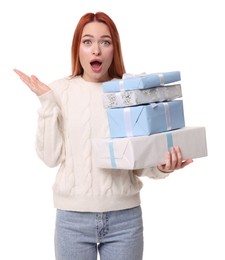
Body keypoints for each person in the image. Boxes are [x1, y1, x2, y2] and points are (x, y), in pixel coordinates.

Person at [14, 11, 193, 260]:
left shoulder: (128, 92)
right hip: (72, 220)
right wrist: (47, 103)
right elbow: (49, 157)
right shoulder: (58, 91)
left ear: (114, 49)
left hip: (125, 221)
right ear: (77, 48)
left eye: (105, 42)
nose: (96, 50)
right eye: (87, 41)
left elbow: (140, 163)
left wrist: (163, 166)